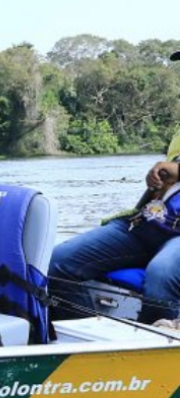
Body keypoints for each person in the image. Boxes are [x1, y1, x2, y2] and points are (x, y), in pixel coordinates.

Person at [48, 134, 180, 326]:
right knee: (59, 261)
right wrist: (156, 178)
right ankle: (93, 341)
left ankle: (157, 345)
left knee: (161, 273)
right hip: (147, 222)